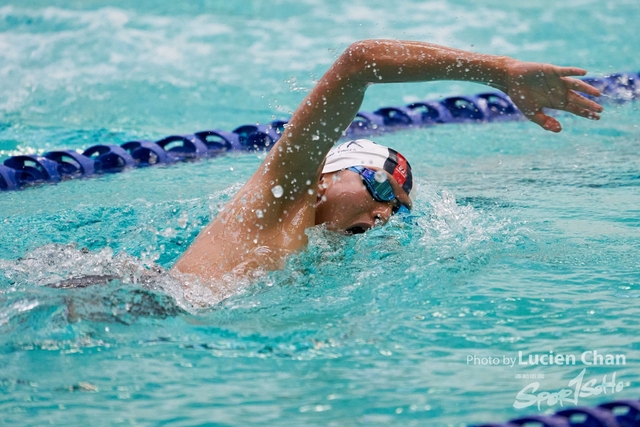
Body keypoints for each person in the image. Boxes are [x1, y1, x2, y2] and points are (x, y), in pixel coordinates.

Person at [172, 39, 603, 283]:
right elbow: (361, 61)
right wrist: (500, 71)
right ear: (325, 176)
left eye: (396, 208)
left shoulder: (316, 260)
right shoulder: (283, 195)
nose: (384, 213)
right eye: (380, 189)